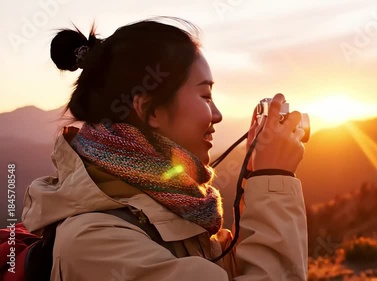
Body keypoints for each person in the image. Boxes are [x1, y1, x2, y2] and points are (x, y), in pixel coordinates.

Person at [21, 17, 307, 281]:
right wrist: (274, 177)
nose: (217, 114)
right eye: (205, 95)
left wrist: (256, 175)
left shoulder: (169, 205)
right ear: (150, 110)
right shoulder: (96, 244)